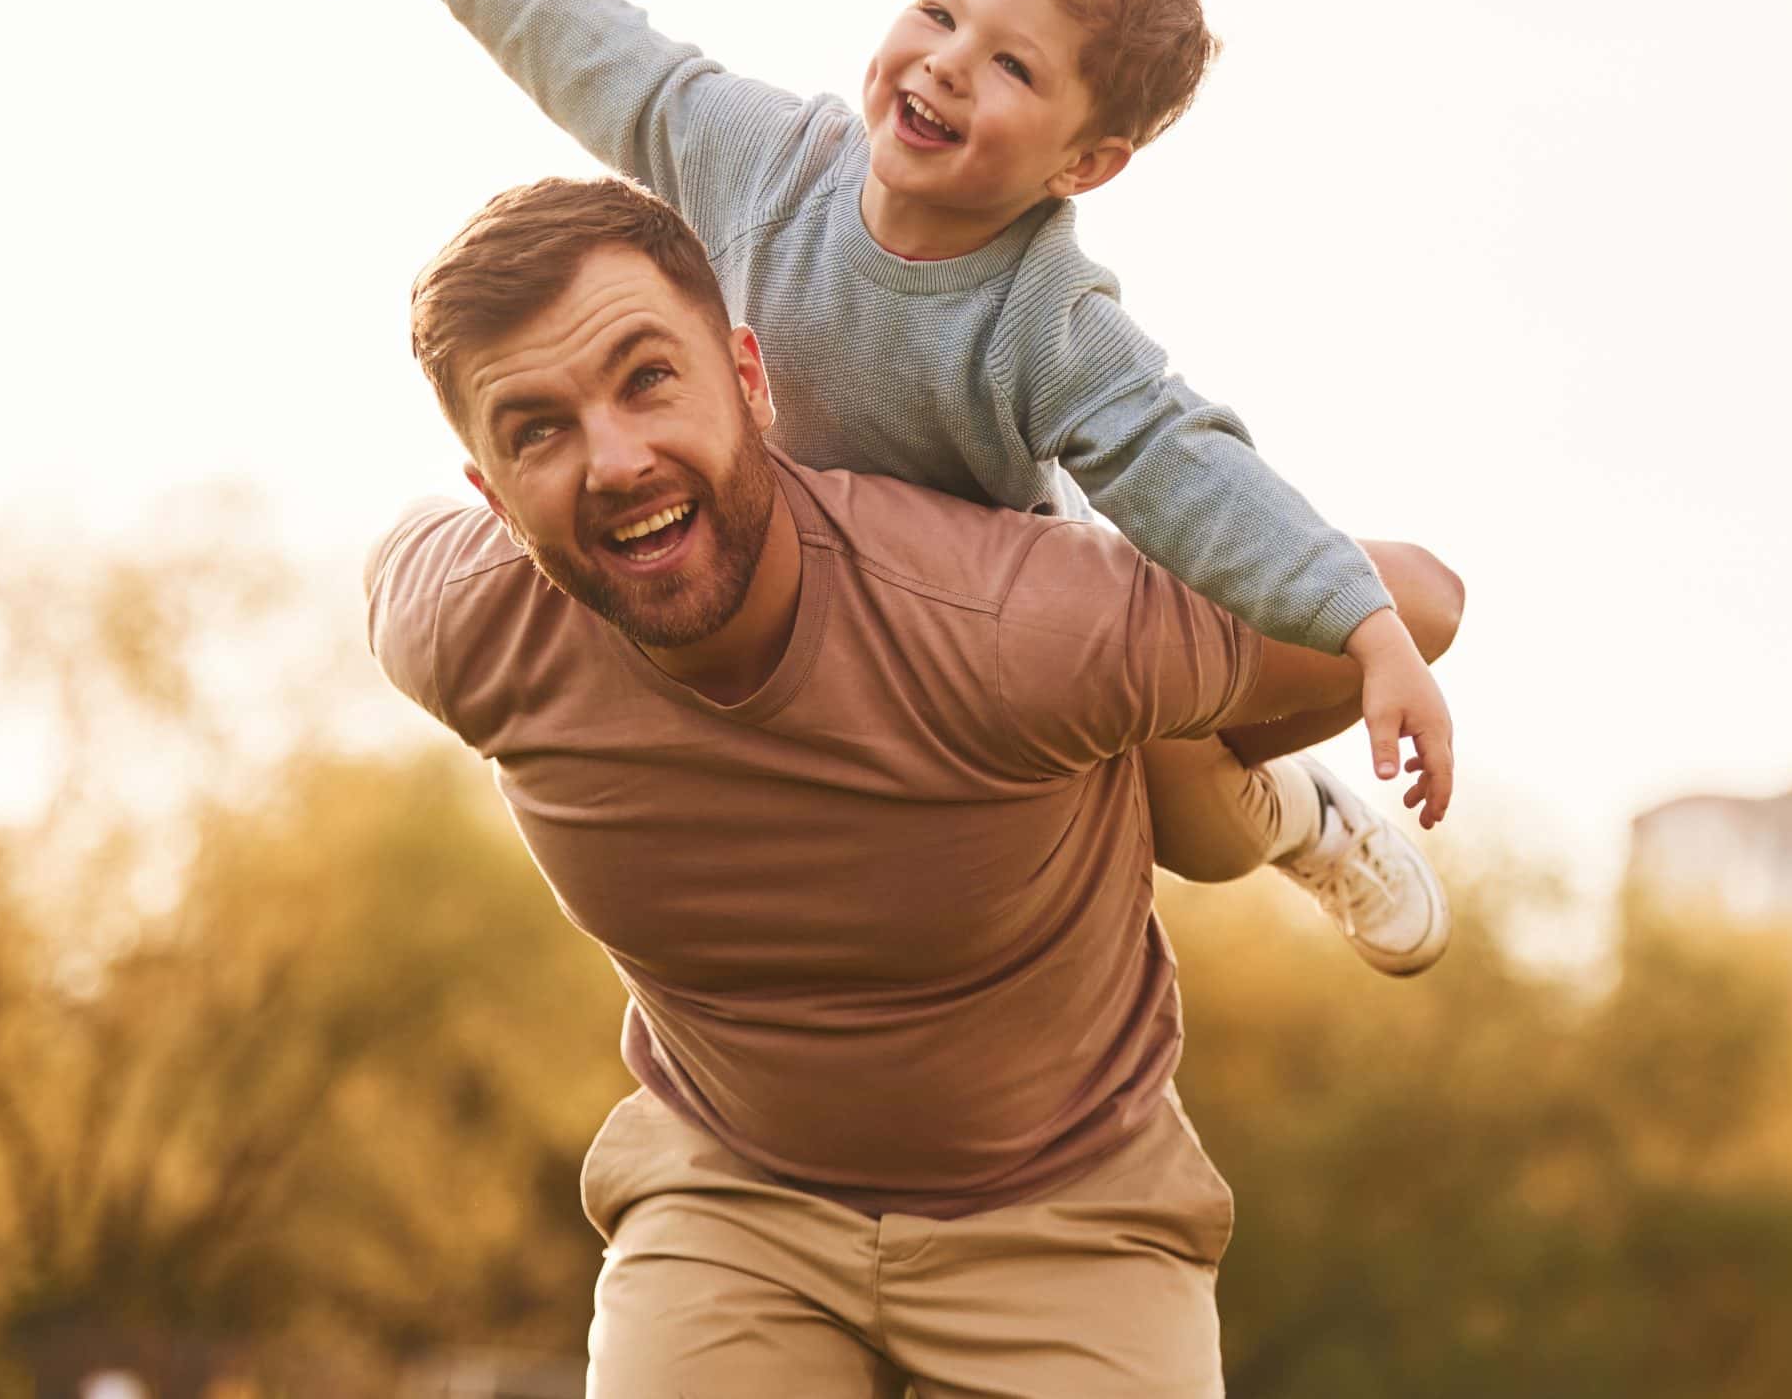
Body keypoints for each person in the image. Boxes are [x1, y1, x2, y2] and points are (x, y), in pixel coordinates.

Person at [363, 175, 1464, 1392]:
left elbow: (1420, 600)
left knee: (1192, 805)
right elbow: (394, 559)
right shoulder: (462, 622)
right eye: (536, 429)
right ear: (488, 494)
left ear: (749, 377)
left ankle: (1279, 806)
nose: (615, 459)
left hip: (1065, 1209)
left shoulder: (1007, 620)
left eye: (647, 378)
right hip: (734, 1198)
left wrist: (1193, 732)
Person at [251, 0, 1460, 973]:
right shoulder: (771, 159)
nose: (943, 67)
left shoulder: (1048, 321)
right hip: (779, 582)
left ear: (1084, 162)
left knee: (1191, 831)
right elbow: (601, 55)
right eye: (939, 16)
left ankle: (1307, 816)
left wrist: (1363, 627)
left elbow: (1179, 458)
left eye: (1012, 69)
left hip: (986, 619)